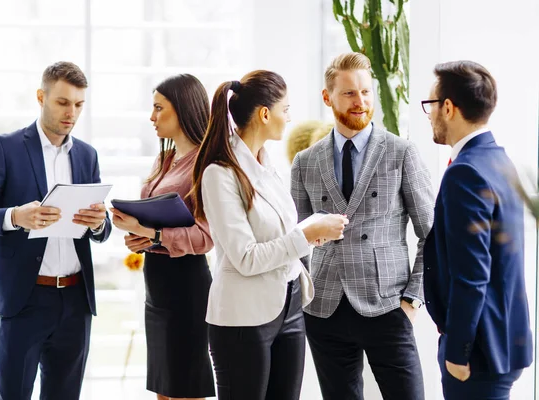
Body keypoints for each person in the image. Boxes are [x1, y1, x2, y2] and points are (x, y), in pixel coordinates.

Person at [191, 70, 348, 400]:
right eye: (286, 109)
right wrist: (306, 235)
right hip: (243, 319)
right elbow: (246, 258)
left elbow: (280, 234)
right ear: (265, 114)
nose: (289, 117)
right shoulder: (219, 174)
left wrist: (311, 232)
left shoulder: (268, 164)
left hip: (288, 305)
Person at [0, 61, 111, 400]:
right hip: (24, 300)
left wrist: (100, 223)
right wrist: (16, 217)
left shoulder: (87, 155)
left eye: (78, 104)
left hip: (75, 300)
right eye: (62, 102)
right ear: (41, 97)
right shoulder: (4, 147)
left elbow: (102, 227)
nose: (71, 112)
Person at [290, 52, 434, 400]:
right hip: (324, 308)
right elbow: (296, 240)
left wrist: (413, 300)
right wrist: (304, 297)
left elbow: (432, 234)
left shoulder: (401, 152)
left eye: (366, 92)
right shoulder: (305, 162)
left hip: (387, 306)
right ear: (328, 97)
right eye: (349, 93)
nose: (361, 101)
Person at [422, 60, 533, 400]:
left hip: (477, 353)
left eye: (430, 106)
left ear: (448, 108)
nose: (429, 115)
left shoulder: (465, 173)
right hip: (503, 342)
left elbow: (472, 274)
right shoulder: (499, 160)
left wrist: (457, 352)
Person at [109, 74, 215, 400]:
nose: (152, 117)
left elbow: (207, 236)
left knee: (185, 386)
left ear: (182, 110)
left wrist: (149, 232)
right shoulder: (165, 160)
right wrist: (141, 240)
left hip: (187, 287)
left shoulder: (205, 163)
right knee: (164, 389)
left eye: (159, 108)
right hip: (157, 285)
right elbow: (160, 227)